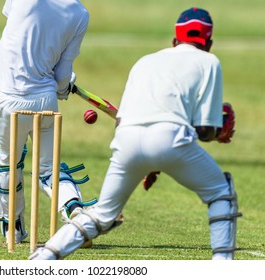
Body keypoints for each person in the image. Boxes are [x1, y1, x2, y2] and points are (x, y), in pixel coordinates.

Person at [29, 7, 242, 260]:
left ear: (175, 41)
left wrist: (147, 161)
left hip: (126, 140)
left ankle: (41, 260)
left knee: (101, 215)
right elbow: (205, 131)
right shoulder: (209, 62)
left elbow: (122, 123)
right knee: (220, 192)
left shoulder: (146, 61)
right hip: (171, 139)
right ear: (209, 43)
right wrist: (219, 131)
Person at [0, 0, 94, 244]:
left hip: (10, 97)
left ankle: (12, 227)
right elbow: (62, 77)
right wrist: (64, 86)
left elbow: (16, 27)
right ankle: (74, 210)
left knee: (5, 159)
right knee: (48, 169)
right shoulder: (80, 13)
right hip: (46, 99)